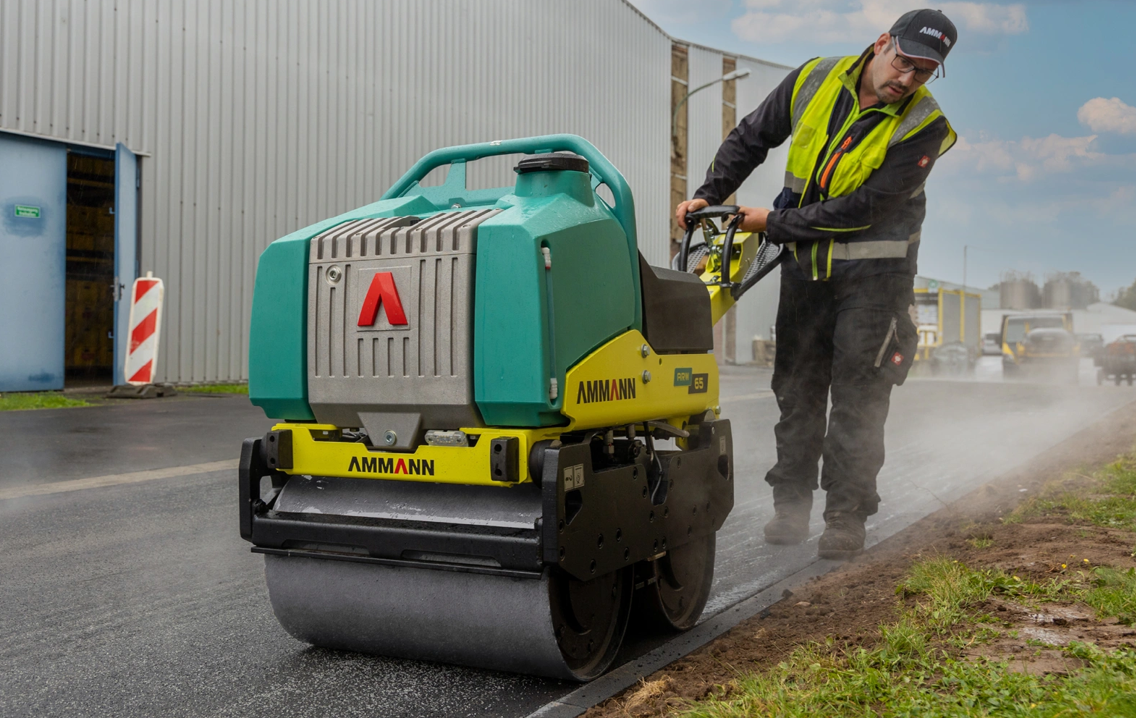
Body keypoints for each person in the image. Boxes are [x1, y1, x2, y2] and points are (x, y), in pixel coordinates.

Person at [676, 9, 958, 559]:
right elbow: (752, 136)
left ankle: (846, 515)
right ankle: (791, 505)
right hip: (808, 268)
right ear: (882, 44)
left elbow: (864, 208)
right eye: (904, 62)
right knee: (797, 390)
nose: (907, 79)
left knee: (859, 398)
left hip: (876, 279)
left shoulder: (925, 126)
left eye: (923, 72)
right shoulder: (813, 79)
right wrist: (712, 193)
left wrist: (770, 223)